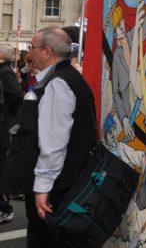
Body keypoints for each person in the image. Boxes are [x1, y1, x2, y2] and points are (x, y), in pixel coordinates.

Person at [27, 27, 97, 247]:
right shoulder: (70, 78)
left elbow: (53, 143)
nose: (29, 53)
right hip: (71, 181)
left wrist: (42, 187)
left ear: (47, 51)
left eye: (32, 47)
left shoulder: (59, 83)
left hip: (59, 186)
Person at [0, 45, 23, 223]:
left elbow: (16, 95)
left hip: (4, 125)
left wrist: (10, 114)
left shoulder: (5, 71)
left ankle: (5, 208)